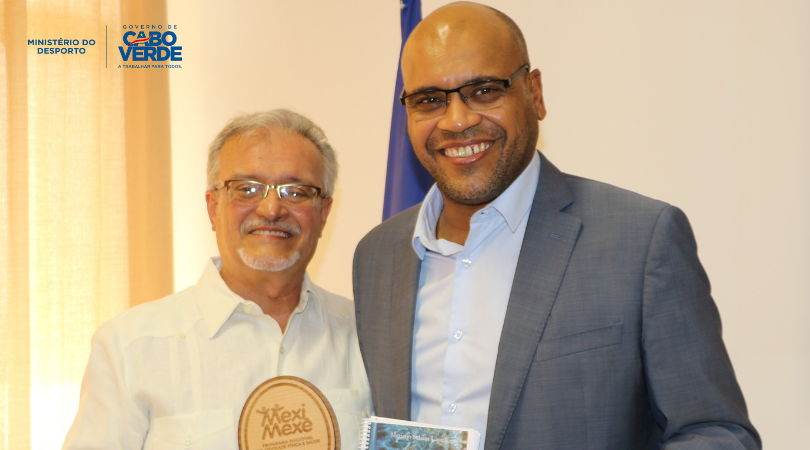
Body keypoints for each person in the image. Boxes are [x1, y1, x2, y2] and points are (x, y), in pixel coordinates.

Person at [353, 2, 760, 449]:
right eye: (430, 100)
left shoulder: (641, 241)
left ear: (535, 93)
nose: (457, 120)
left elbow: (717, 435)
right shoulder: (377, 256)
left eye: (484, 90)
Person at [64, 109, 373, 450]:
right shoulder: (130, 347)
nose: (271, 209)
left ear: (323, 213)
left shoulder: (369, 340)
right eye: (247, 189)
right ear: (213, 207)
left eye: (296, 192)